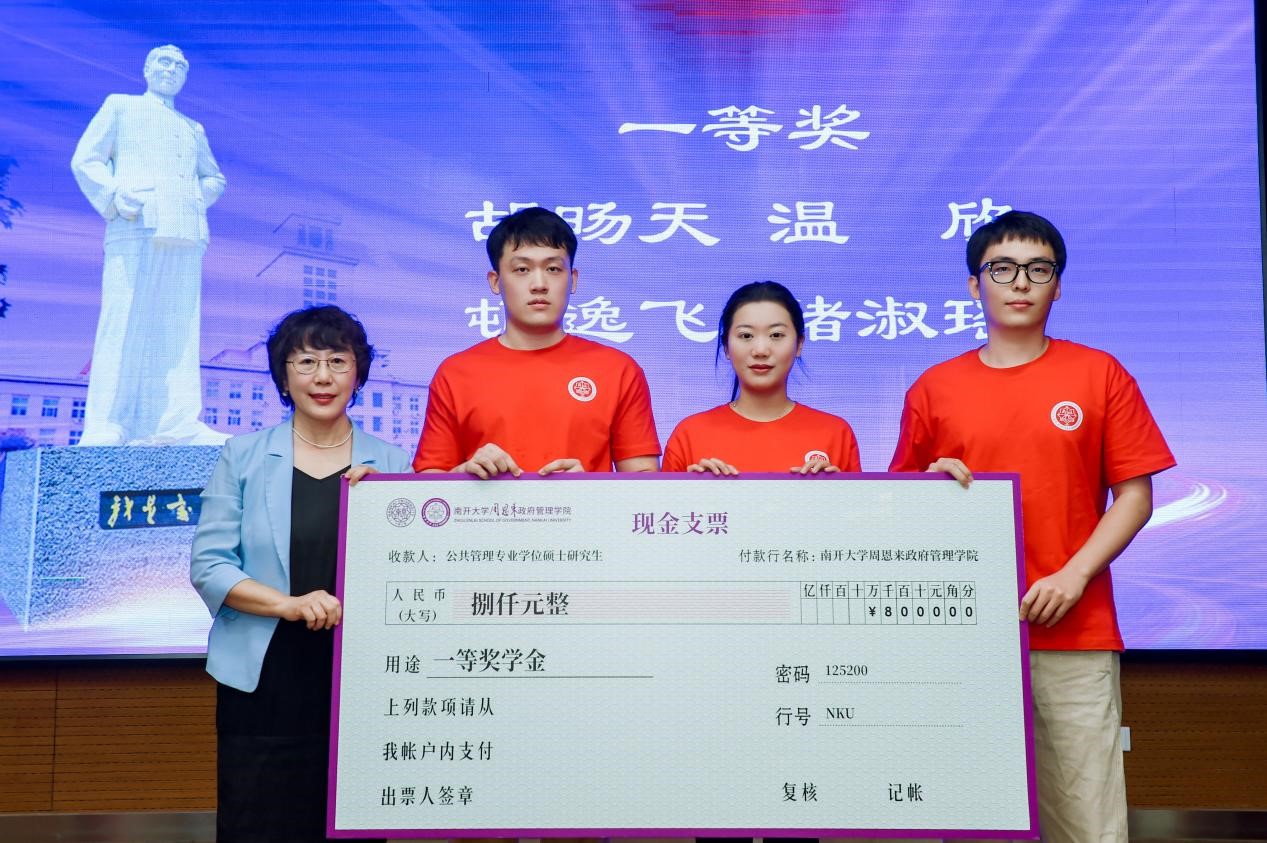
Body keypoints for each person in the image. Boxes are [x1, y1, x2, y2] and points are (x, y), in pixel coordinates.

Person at [889, 211, 1175, 842]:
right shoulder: (934, 388)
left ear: (1058, 285)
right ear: (974, 285)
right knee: (973, 816)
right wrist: (929, 488)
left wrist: (1074, 576)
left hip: (1075, 631)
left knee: (1087, 820)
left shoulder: (1099, 373)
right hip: (963, 635)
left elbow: (1135, 496)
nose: (1020, 283)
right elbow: (899, 512)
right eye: (1002, 269)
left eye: (1038, 269)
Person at [190, 305, 410, 842]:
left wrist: (387, 505)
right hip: (264, 677)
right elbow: (210, 566)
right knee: (258, 821)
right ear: (283, 376)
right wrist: (288, 604)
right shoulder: (242, 456)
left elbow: (416, 573)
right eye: (306, 361)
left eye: (338, 361)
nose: (323, 376)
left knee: (351, 822)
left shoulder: (392, 464)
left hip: (361, 676)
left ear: (358, 373)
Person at [413, 206, 660, 476]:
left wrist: (590, 488)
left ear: (572, 279)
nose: (539, 284)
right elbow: (428, 483)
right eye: (522, 269)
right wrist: (465, 476)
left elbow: (645, 480)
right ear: (495, 281)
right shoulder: (456, 373)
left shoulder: (617, 370)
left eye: (553, 268)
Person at [71, 44, 227, 446]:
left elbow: (214, 177)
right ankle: (108, 422)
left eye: (180, 66)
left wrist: (192, 198)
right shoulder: (121, 106)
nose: (171, 70)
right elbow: (86, 159)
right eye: (164, 62)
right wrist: (113, 194)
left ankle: (179, 424)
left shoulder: (193, 128)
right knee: (123, 319)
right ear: (146, 69)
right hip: (136, 222)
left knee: (178, 328)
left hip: (185, 230)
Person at [663, 280, 860, 475]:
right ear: (726, 347)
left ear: (799, 344)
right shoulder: (689, 435)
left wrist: (834, 489)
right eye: (746, 336)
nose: (760, 350)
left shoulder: (835, 434)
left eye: (776, 335)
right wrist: (692, 489)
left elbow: (861, 498)